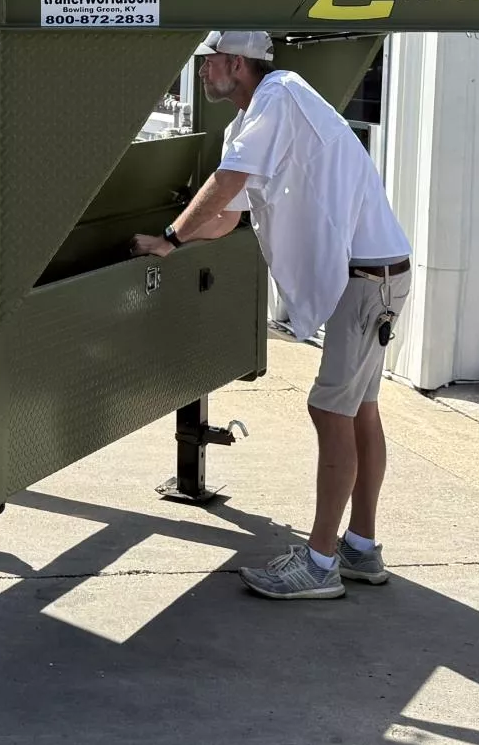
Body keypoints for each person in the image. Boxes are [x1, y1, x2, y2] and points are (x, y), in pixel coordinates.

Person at [132, 30, 411, 601]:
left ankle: (319, 564)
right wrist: (174, 244)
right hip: (370, 275)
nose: (202, 73)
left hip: (366, 279)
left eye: (207, 63)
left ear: (235, 63)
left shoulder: (279, 95)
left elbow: (227, 183)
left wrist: (168, 235)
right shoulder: (253, 120)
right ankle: (360, 548)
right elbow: (227, 218)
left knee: (330, 409)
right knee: (359, 410)